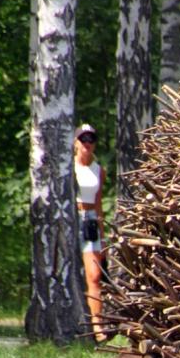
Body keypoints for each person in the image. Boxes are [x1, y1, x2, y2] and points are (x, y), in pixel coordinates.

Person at [74, 123, 106, 342]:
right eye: (83, 139)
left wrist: (102, 234)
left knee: (94, 275)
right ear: (76, 142)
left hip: (90, 221)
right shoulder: (69, 168)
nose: (87, 143)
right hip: (71, 217)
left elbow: (98, 202)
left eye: (91, 139)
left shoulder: (98, 170)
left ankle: (97, 324)